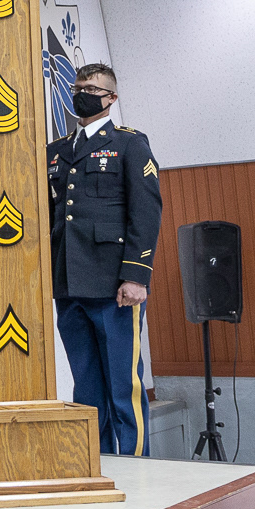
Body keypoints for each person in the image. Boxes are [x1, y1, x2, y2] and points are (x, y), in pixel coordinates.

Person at [46, 63, 162, 456]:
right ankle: (96, 462)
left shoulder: (129, 144)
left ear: (111, 98)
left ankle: (136, 464)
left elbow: (145, 212)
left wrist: (136, 276)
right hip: (69, 284)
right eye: (78, 88)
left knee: (123, 385)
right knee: (86, 387)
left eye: (92, 89)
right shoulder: (56, 150)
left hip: (114, 285)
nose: (83, 94)